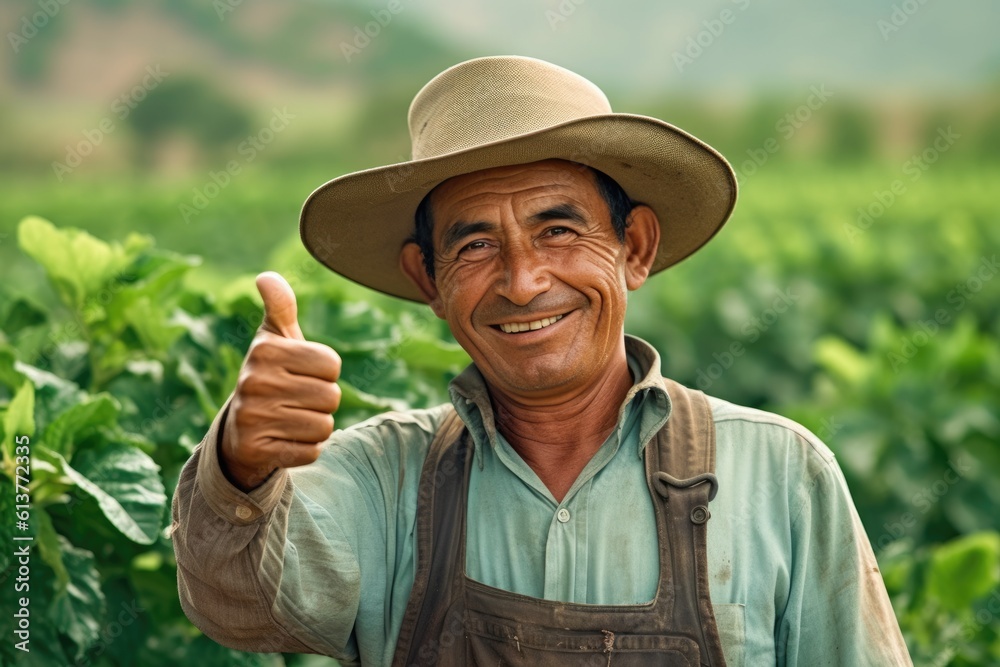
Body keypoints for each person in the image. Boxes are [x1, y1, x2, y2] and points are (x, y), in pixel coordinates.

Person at [171, 56, 912, 666]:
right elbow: (234, 601)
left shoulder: (780, 474)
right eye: (475, 245)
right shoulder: (381, 481)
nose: (523, 281)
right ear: (428, 278)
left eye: (558, 230)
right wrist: (241, 462)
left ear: (636, 248)